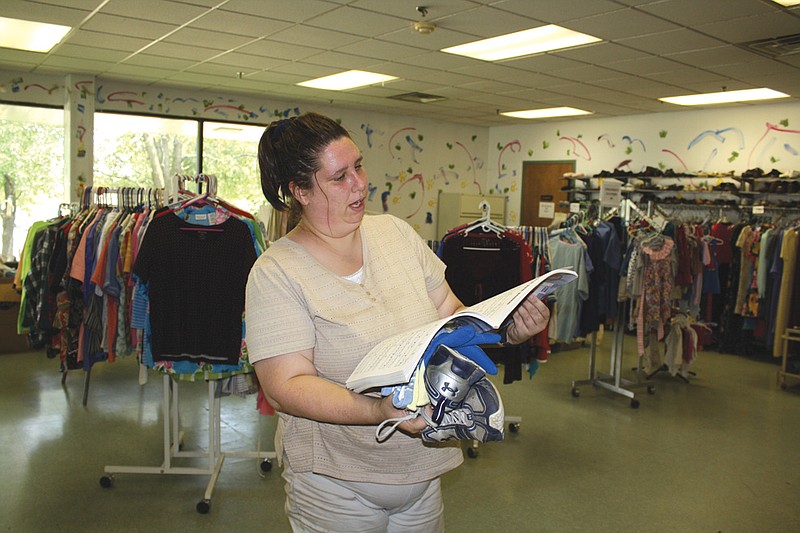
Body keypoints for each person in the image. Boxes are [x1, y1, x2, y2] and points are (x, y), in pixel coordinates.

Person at [245, 112, 551, 532]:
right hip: (336, 482)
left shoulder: (395, 233)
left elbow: (451, 316)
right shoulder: (276, 271)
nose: (359, 183)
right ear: (299, 191)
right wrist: (378, 411)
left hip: (423, 471)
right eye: (339, 177)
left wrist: (509, 329)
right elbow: (285, 387)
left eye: (359, 165)